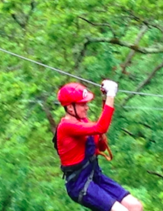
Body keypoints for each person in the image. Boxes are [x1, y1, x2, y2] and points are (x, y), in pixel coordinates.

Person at [53, 80, 143, 211]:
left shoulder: (82, 121)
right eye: (82, 104)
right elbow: (101, 127)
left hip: (95, 176)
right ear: (70, 108)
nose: (86, 107)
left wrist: (100, 138)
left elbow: (100, 146)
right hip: (80, 184)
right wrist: (110, 95)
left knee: (135, 206)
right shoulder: (66, 127)